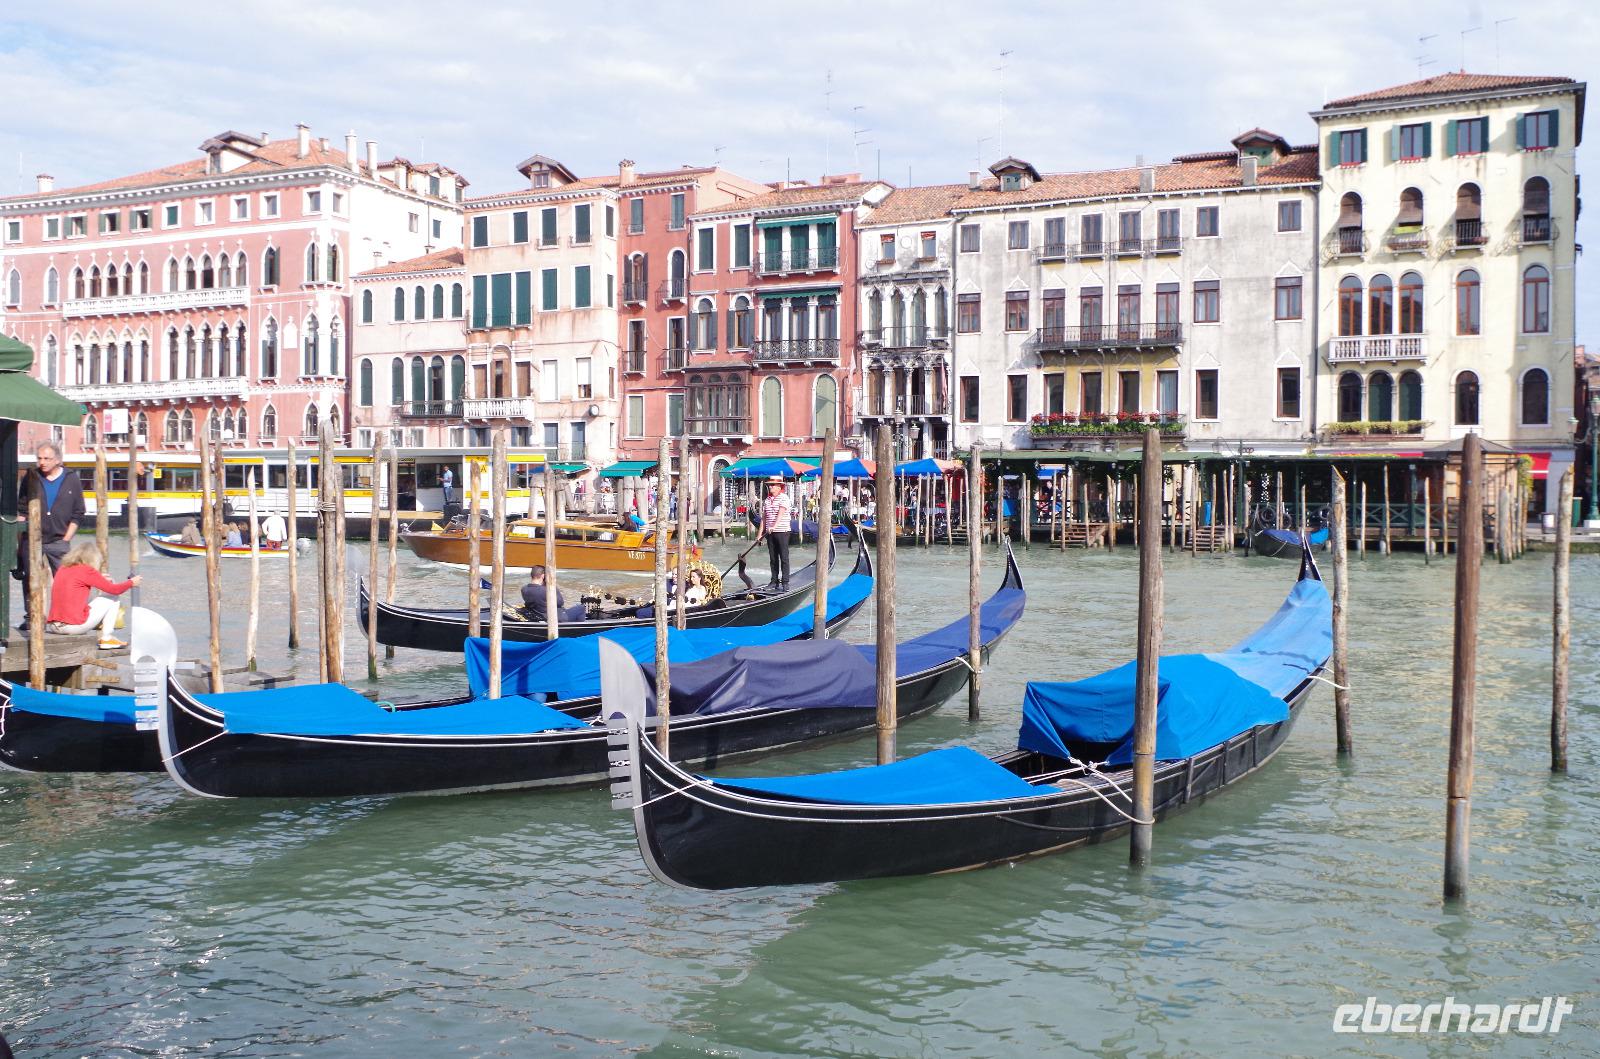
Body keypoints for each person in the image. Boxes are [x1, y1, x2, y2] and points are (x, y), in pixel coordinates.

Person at [14, 440, 85, 615]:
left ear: (57, 460)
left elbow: (78, 512)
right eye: (39, 458)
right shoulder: (31, 478)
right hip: (31, 539)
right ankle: (32, 615)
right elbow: (22, 510)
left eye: (47, 458)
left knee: (65, 579)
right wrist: (18, 541)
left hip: (59, 540)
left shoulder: (71, 479)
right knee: (31, 579)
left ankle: (65, 614)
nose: (42, 462)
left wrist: (66, 538)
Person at [46, 542, 141, 649]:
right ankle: (107, 638)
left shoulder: (62, 569)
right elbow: (115, 590)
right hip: (72, 627)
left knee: (89, 600)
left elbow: (76, 585)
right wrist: (132, 582)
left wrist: (99, 577)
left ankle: (104, 633)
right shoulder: (87, 570)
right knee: (113, 597)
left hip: (54, 626)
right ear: (94, 558)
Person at [754, 475, 793, 589]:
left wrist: (774, 526)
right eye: (770, 485)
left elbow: (780, 514)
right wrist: (759, 535)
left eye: (772, 485)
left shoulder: (784, 498)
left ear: (779, 487)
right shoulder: (767, 500)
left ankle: (785, 582)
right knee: (773, 558)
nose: (770, 487)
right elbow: (764, 518)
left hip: (782, 531)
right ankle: (774, 581)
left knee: (784, 557)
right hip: (770, 533)